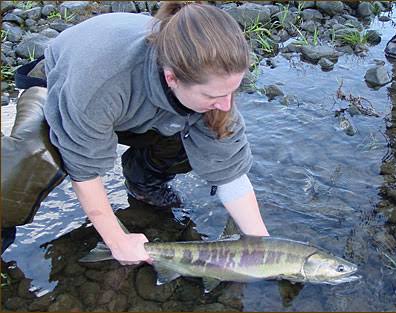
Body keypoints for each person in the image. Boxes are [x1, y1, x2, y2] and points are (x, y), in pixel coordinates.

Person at [1, 2, 269, 264]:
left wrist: (264, 248)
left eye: (231, 91)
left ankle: (143, 183)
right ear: (172, 77)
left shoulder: (214, 86)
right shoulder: (100, 84)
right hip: (61, 87)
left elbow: (230, 172)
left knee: (198, 142)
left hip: (136, 108)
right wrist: (117, 240)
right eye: (214, 95)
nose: (226, 104)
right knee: (29, 164)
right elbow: (85, 171)